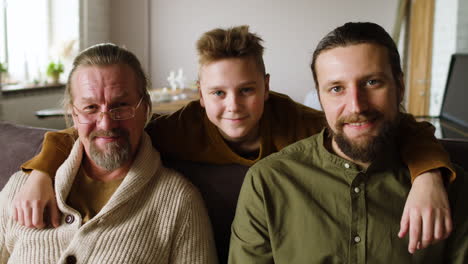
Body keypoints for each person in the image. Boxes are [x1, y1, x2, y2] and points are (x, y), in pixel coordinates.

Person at [13, 26, 453, 254]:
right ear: (199, 96)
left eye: (246, 90)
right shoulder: (176, 127)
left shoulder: (301, 123)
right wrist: (39, 170)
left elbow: (393, 127)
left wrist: (429, 175)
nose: (233, 107)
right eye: (218, 93)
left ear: (266, 87)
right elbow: (94, 128)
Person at [228, 22, 468, 263]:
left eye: (372, 82)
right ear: (320, 97)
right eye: (336, 88)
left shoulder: (452, 187)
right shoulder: (267, 181)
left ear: (400, 86)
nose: (356, 106)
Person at [0, 44, 217, 263]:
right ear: (73, 114)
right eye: (90, 108)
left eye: (121, 105)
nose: (106, 123)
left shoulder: (179, 203)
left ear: (145, 109)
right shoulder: (19, 189)